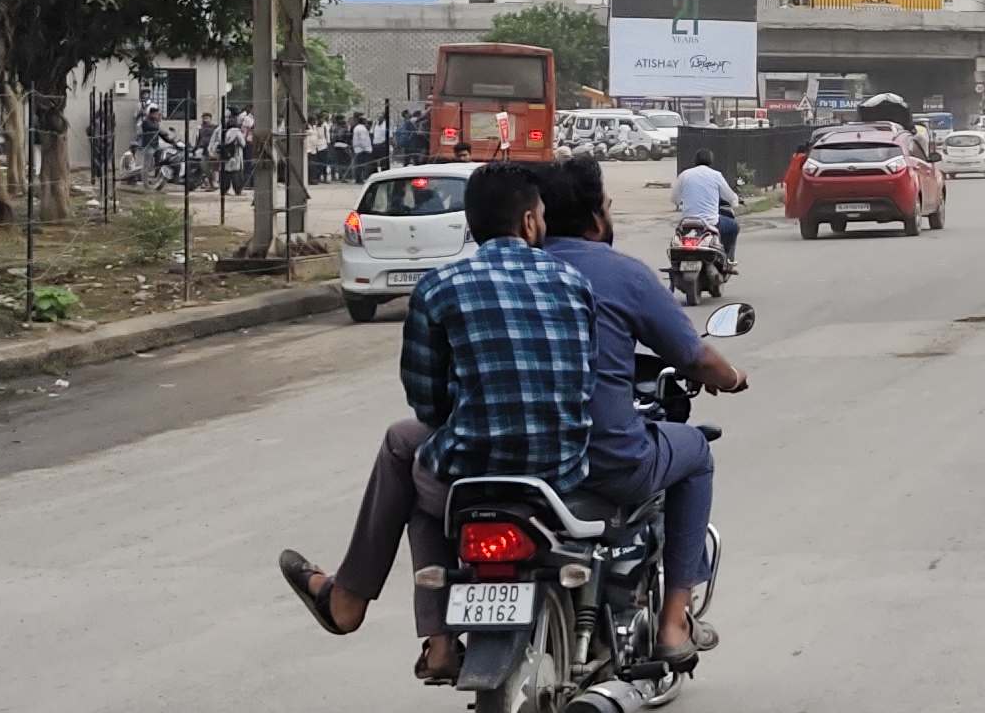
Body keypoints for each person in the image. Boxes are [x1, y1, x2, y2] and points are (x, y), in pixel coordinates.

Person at [275, 157, 597, 682]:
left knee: (414, 461)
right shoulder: (573, 282)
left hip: (471, 469)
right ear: (532, 223)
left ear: (471, 225)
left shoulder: (439, 286)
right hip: (561, 472)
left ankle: (381, 613)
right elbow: (583, 379)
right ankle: (389, 615)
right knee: (424, 468)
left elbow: (425, 402)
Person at [541, 155, 745, 662]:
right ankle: (674, 623)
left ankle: (435, 638)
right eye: (608, 206)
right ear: (595, 219)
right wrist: (733, 378)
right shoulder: (621, 273)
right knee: (695, 450)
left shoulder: (501, 275)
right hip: (608, 460)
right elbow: (694, 356)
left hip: (494, 461)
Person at [673, 149, 740, 269]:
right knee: (733, 227)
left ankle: (675, 265)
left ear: (695, 160)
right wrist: (735, 203)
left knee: (677, 237)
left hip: (688, 222)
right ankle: (728, 260)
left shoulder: (685, 174)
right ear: (711, 161)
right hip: (711, 222)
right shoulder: (716, 175)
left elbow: (674, 199)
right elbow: (730, 197)